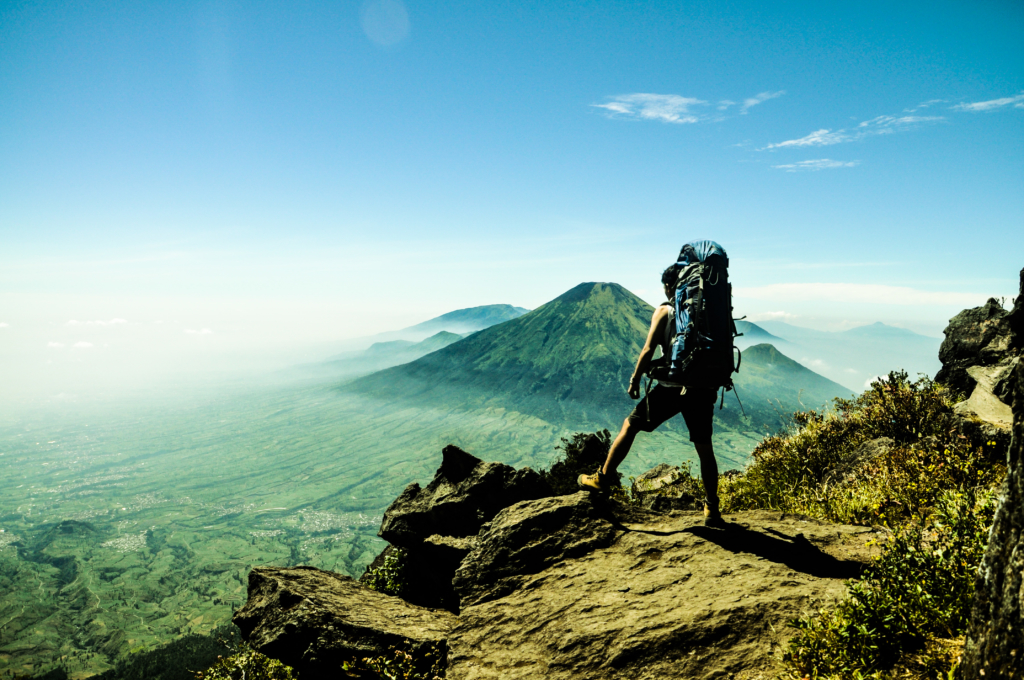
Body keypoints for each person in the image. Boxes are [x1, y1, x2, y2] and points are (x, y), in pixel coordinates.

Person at [578, 263, 725, 527]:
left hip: (671, 389)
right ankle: (712, 509)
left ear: (670, 286)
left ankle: (602, 478)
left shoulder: (666, 311)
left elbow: (648, 350)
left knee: (630, 425)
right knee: (705, 450)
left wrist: (635, 380)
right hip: (702, 390)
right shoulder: (708, 312)